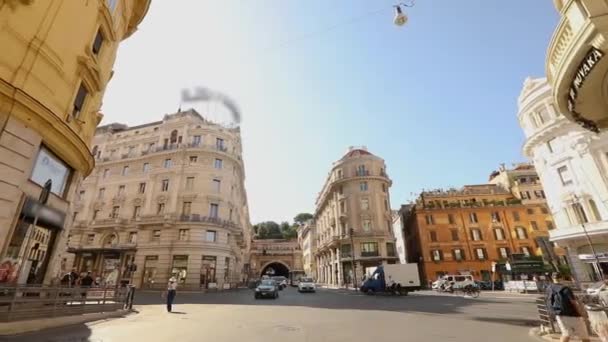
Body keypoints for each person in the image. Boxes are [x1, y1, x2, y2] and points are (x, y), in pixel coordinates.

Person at [546, 272, 590, 342]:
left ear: (552, 278)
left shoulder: (549, 288)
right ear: (562, 278)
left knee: (566, 334)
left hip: (559, 314)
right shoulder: (566, 289)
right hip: (573, 314)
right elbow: (574, 303)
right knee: (584, 336)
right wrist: (582, 314)